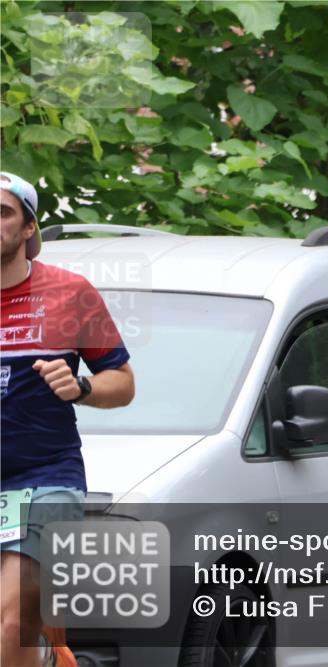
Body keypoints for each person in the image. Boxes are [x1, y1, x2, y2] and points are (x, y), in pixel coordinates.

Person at [0, 172, 135, 667]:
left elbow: (122, 383)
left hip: (43, 478)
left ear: (29, 228)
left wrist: (80, 387)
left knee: (13, 620)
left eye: (4, 212)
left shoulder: (70, 293)